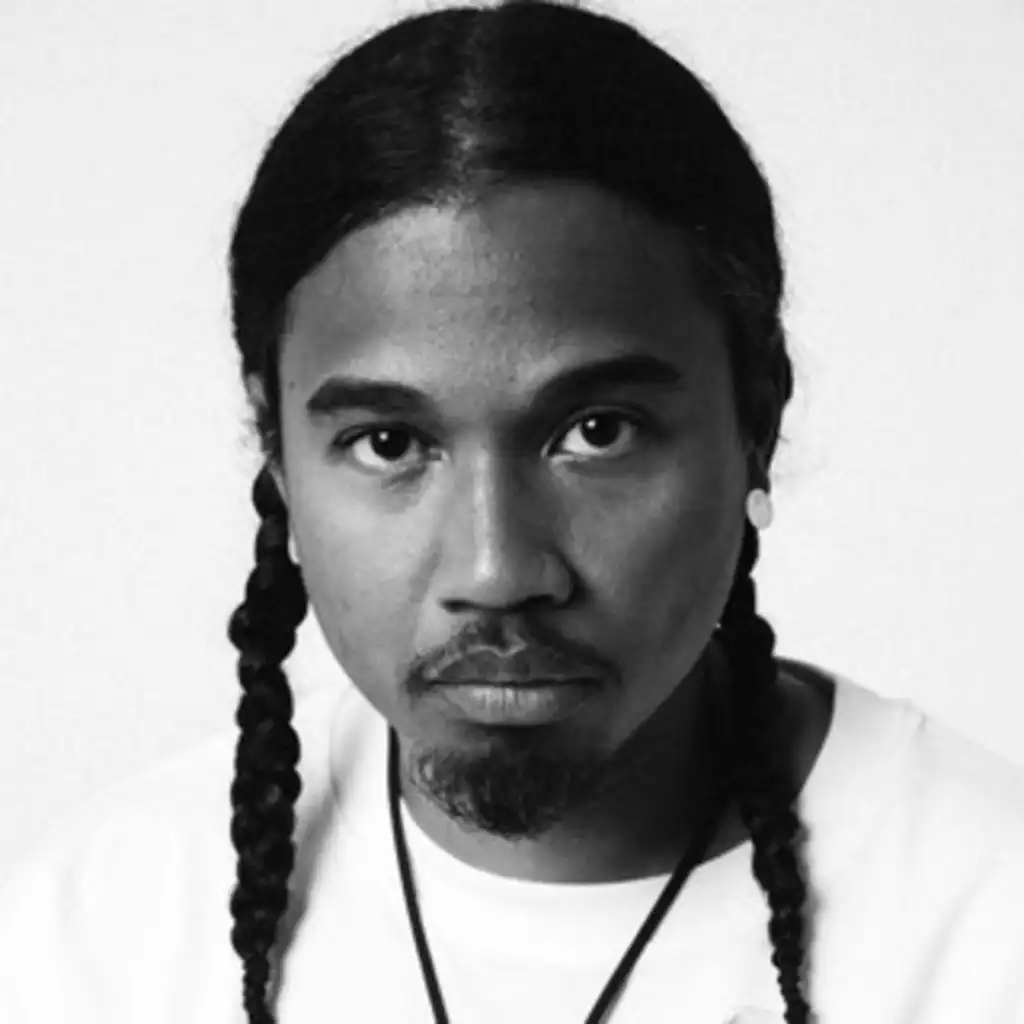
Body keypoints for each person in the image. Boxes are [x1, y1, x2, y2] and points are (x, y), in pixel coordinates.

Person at [3, 1, 1024, 1021]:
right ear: (274, 449)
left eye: (598, 432)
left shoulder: (986, 923)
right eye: (389, 443)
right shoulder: (91, 939)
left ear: (756, 418)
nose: (496, 570)